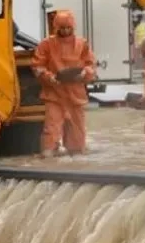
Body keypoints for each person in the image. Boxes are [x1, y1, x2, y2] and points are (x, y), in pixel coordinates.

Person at [31, 9, 97, 156]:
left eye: (68, 28)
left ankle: (75, 162)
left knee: (77, 140)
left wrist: (85, 74)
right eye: (62, 28)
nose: (66, 31)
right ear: (56, 27)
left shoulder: (82, 44)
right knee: (51, 131)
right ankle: (48, 158)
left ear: (73, 27)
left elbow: (91, 65)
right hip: (54, 94)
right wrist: (50, 78)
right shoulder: (46, 45)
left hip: (75, 94)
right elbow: (37, 66)